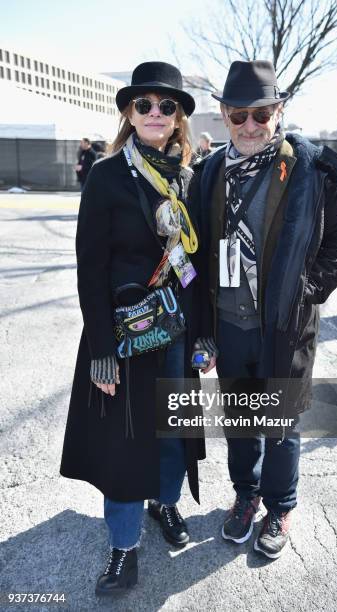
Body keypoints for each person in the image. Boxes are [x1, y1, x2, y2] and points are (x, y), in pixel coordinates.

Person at [190, 60, 337, 560]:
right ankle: (246, 494)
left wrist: (307, 289)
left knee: (281, 424)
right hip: (229, 323)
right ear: (223, 114)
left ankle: (280, 505)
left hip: (284, 327)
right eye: (239, 114)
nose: (250, 126)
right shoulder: (208, 173)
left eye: (261, 114)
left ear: (278, 110)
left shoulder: (310, 167)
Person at [60, 61, 212, 597]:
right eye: (143, 104)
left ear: (178, 119)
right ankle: (123, 547)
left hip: (178, 331)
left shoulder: (194, 177)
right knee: (126, 443)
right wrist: (101, 347)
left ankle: (163, 502)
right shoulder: (106, 176)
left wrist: (204, 334)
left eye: (166, 105)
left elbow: (202, 268)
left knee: (171, 434)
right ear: (129, 112)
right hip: (124, 336)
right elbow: (89, 266)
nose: (154, 112)